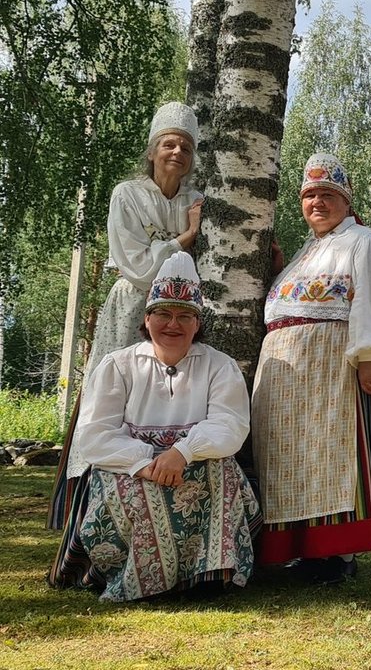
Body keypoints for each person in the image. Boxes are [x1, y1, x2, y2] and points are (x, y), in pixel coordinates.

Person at [251, 153, 371, 584]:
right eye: (309, 195)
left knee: (333, 461)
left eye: (327, 195)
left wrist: (370, 358)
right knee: (293, 465)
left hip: (333, 373)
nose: (317, 203)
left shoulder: (362, 241)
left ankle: (337, 554)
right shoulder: (306, 251)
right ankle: (303, 550)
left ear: (346, 202)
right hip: (289, 382)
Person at [48, 252, 259, 602]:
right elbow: (94, 435)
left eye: (184, 316)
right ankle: (136, 578)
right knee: (134, 489)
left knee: (217, 472)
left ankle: (207, 574)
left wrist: (182, 453)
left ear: (197, 323)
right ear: (146, 319)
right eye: (162, 313)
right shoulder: (117, 365)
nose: (172, 324)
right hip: (130, 466)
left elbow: (230, 425)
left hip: (194, 462)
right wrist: (145, 462)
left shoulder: (220, 366)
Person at [49, 101, 205, 529]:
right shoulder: (128, 195)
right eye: (169, 144)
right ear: (153, 151)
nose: (177, 153)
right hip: (132, 304)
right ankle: (93, 502)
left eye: (186, 148)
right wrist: (185, 238)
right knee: (115, 389)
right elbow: (135, 266)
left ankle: (173, 489)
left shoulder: (200, 200)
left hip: (181, 313)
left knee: (175, 394)